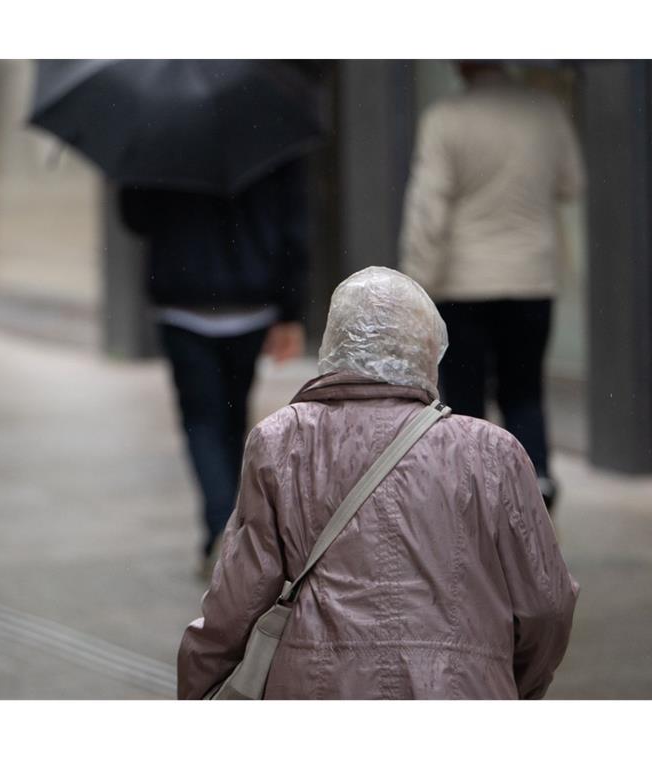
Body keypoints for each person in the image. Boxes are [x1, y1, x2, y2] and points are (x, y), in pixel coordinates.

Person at [177, 267, 578, 699]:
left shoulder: (282, 442)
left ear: (333, 347)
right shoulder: (492, 452)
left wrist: (200, 689)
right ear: (428, 353)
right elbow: (547, 606)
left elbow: (238, 601)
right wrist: (505, 682)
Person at [399, 61, 586, 511]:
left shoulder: (446, 119)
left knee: (465, 396)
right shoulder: (546, 111)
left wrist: (415, 285)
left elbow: (429, 212)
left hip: (464, 284)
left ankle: (473, 496)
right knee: (524, 388)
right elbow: (572, 182)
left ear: (463, 62)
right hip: (531, 278)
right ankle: (535, 483)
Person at [120, 159, 309, 578]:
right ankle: (231, 529)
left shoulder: (159, 134)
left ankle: (221, 529)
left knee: (202, 421)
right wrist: (291, 309)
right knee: (230, 416)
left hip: (182, 300)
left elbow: (135, 217)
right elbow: (293, 227)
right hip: (249, 300)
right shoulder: (268, 137)